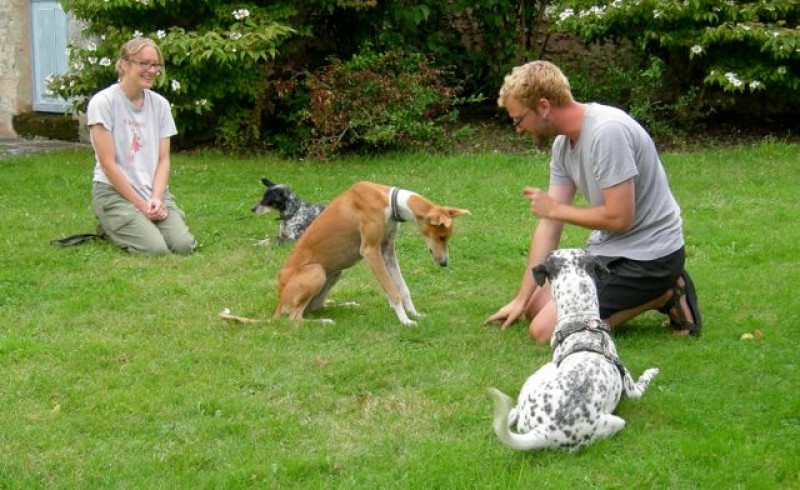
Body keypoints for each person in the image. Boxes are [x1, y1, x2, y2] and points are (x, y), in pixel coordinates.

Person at [484, 60, 701, 344]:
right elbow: (550, 224)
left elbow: (620, 218)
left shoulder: (607, 132)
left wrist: (557, 209)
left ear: (544, 106)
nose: (518, 129)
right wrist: (521, 299)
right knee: (534, 307)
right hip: (610, 250)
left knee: (545, 332)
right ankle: (647, 293)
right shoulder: (563, 145)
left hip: (650, 257)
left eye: (518, 119)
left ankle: (664, 292)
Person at [86, 37, 195, 255]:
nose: (152, 70)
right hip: (114, 192)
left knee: (184, 246)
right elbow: (107, 164)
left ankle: (138, 223)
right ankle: (111, 225)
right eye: (144, 63)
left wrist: (156, 198)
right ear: (124, 64)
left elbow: (163, 159)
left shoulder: (161, 105)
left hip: (151, 190)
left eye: (155, 65)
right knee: (156, 250)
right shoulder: (103, 102)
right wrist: (140, 205)